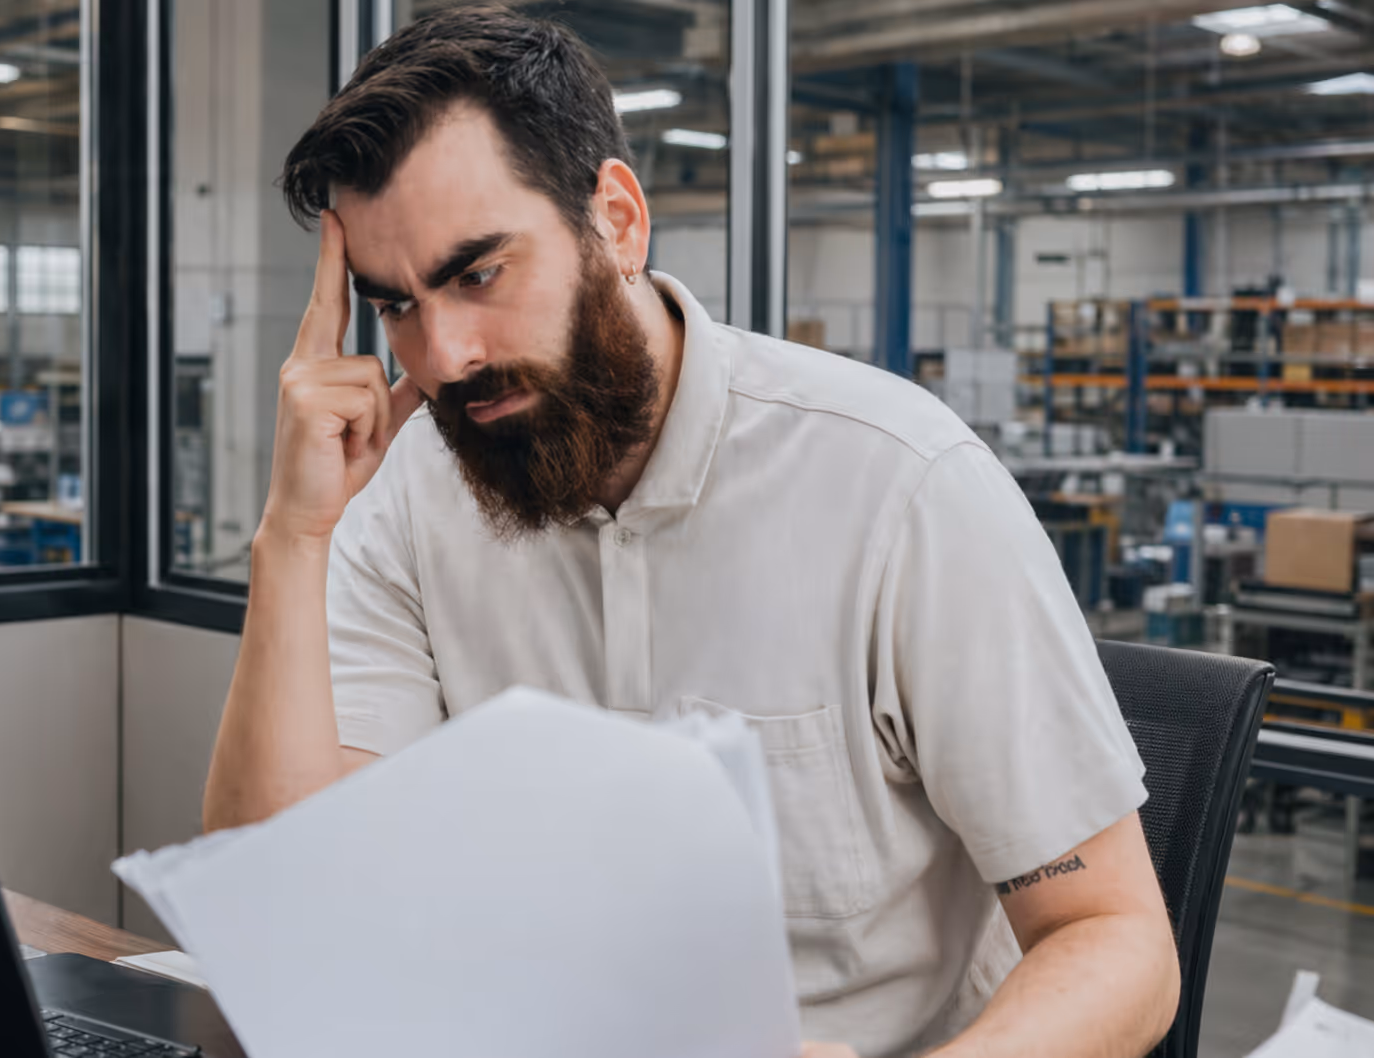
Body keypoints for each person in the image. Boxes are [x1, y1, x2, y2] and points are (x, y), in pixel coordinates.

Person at [201, 7, 1179, 1057]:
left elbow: (1115, 939)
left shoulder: (898, 485)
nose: (440, 356)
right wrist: (294, 536)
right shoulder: (411, 488)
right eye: (394, 305)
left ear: (616, 221)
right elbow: (288, 896)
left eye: (476, 274)